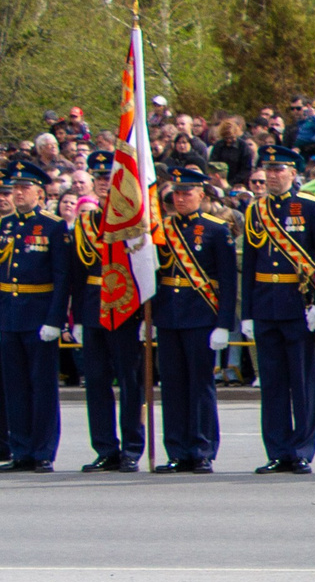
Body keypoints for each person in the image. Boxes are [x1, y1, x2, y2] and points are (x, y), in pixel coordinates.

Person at [240, 149, 315, 474]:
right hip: (265, 303)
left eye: (278, 169)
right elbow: (251, 265)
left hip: (299, 306)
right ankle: (278, 450)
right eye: (267, 169)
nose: (271, 175)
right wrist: (248, 314)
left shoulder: (311, 208)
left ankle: (301, 450)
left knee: (302, 383)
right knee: (272, 384)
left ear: (293, 173)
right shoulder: (255, 211)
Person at [151, 161, 236, 473]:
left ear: (201, 193)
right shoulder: (161, 230)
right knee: (172, 386)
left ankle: (201, 448)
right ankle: (176, 449)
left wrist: (224, 324)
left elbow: (228, 281)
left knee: (200, 386)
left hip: (201, 314)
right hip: (168, 315)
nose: (180, 198)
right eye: (177, 193)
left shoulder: (216, 230)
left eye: (187, 192)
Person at [0, 159, 74, 471]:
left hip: (39, 314)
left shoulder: (53, 226)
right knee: (13, 386)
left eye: (24, 187)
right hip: (8, 315)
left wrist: (55, 320)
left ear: (39, 192)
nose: (18, 193)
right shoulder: (5, 225)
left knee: (42, 386)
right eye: (14, 188)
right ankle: (21, 449)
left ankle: (43, 450)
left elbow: (62, 277)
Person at [67, 193, 148, 472]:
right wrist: (77, 316)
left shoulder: (135, 220)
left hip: (126, 308)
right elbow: (77, 273)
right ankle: (105, 448)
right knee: (97, 383)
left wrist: (147, 314)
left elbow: (146, 269)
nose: (105, 184)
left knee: (129, 381)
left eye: (109, 177)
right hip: (92, 307)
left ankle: (132, 449)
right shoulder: (86, 222)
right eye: (99, 179)